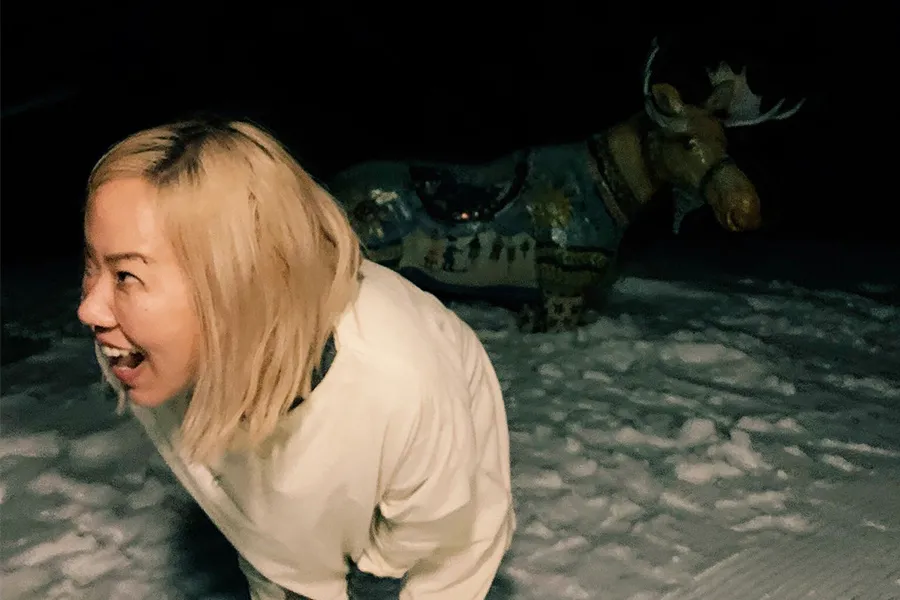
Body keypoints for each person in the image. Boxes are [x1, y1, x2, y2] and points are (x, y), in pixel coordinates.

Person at [76, 117, 516, 599]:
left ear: (237, 282)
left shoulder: (398, 381)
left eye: (125, 276)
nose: (88, 310)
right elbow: (260, 528)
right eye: (91, 265)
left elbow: (447, 538)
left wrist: (378, 565)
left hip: (428, 499)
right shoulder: (144, 357)